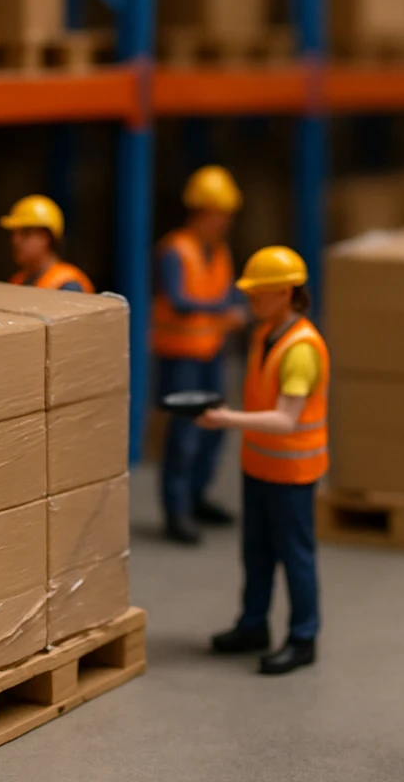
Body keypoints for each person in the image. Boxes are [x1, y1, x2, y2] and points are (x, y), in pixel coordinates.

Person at [196, 246, 326, 676]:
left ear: (286, 293)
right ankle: (253, 625)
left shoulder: (300, 349)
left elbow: (286, 419)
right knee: (256, 553)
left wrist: (224, 418)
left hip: (291, 473)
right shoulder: (264, 333)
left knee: (295, 556)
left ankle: (303, 637)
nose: (250, 301)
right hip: (259, 468)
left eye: (258, 293)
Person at [153, 165, 248, 545]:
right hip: (181, 359)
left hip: (210, 354)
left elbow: (227, 292)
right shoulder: (175, 251)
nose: (225, 221)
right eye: (220, 213)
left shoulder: (219, 252)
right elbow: (177, 299)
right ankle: (175, 510)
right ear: (202, 211)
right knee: (184, 436)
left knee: (214, 430)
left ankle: (196, 497)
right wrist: (222, 309)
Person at [0, 194, 94, 292]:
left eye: (25, 233)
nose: (15, 241)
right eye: (14, 234)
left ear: (45, 237)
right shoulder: (18, 281)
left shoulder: (68, 284)